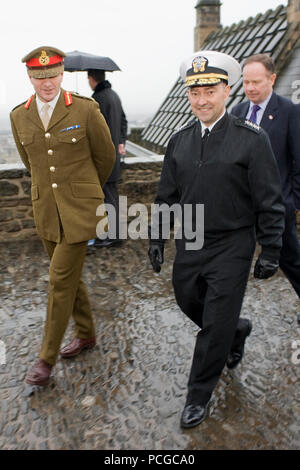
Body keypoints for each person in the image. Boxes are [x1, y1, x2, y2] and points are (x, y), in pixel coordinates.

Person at [148, 50, 285, 429]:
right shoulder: (179, 141)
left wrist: (271, 248)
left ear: (227, 91)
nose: (202, 100)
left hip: (233, 243)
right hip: (191, 238)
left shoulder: (251, 140)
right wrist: (157, 238)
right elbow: (166, 196)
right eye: (195, 93)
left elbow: (269, 200)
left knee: (214, 323)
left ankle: (198, 392)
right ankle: (235, 330)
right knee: (188, 297)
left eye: (210, 91)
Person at [10, 46, 115, 386]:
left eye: (53, 75)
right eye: (40, 77)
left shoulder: (85, 109)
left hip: (81, 211)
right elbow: (32, 166)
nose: (47, 83)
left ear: (62, 74)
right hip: (47, 212)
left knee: (58, 282)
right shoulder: (18, 116)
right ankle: (86, 334)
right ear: (30, 77)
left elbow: (106, 157)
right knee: (69, 278)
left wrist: (84, 192)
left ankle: (45, 360)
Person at [232, 53, 300, 325]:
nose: (250, 88)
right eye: (246, 82)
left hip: (277, 208)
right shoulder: (236, 112)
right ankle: (230, 325)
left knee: (292, 262)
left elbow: (298, 161)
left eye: (256, 82)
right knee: (233, 267)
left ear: (272, 79)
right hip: (241, 210)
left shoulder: (290, 111)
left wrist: (291, 202)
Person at [87, 69, 128, 248]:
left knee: (107, 198)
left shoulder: (97, 99)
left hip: (103, 157)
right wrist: (121, 142)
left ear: (91, 79)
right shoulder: (115, 95)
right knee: (111, 197)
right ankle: (113, 234)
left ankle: (113, 236)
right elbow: (124, 121)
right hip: (115, 156)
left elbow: (93, 130)